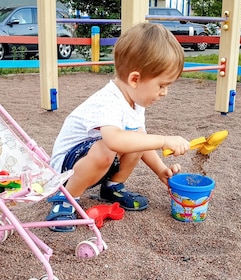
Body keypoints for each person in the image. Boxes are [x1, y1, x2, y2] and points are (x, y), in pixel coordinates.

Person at [46, 22, 191, 232]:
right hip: (66, 171)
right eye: (161, 85)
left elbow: (140, 141)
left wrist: (161, 170)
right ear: (135, 79)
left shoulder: (135, 101)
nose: (165, 92)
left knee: (137, 137)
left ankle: (112, 186)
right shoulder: (108, 100)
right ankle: (66, 198)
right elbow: (114, 140)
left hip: (93, 162)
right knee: (109, 146)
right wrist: (164, 140)